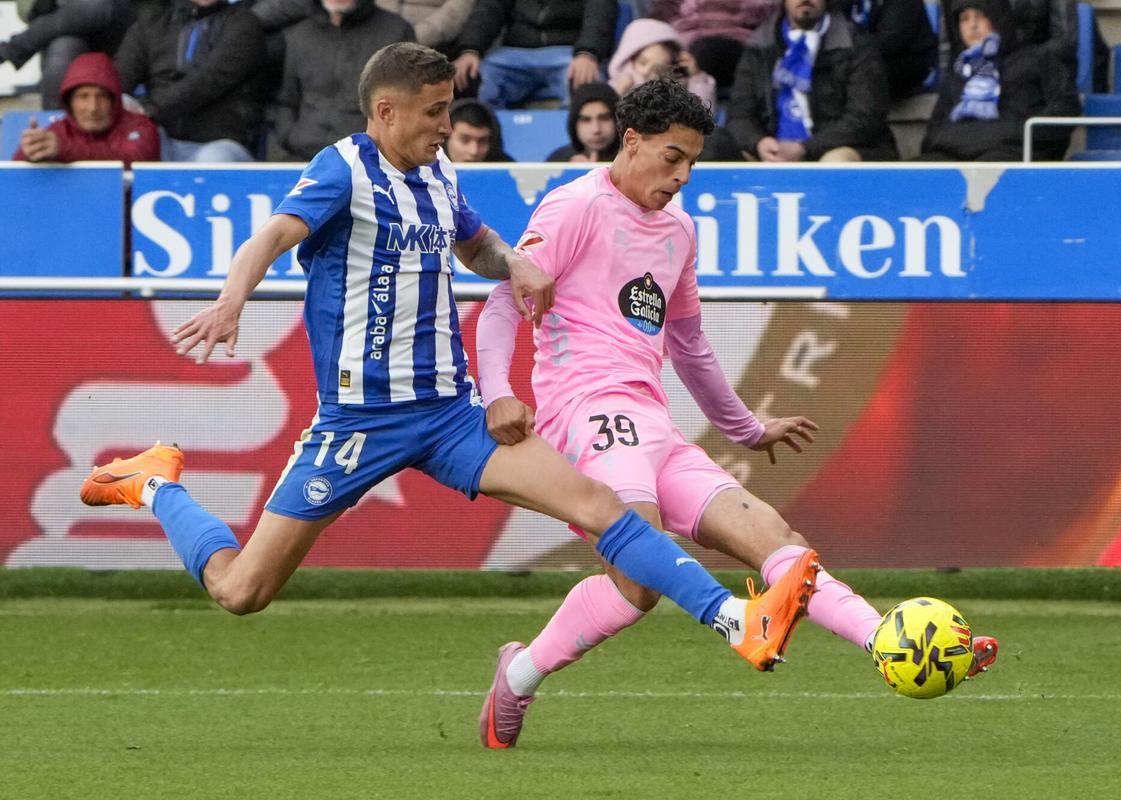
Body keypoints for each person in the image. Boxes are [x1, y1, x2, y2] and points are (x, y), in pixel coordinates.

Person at [80, 45, 817, 687]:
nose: (445, 126)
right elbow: (271, 236)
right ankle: (152, 483)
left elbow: (476, 245)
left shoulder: (437, 176)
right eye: (434, 113)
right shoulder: (341, 172)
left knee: (601, 507)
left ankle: (733, 618)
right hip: (359, 423)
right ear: (387, 110)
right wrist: (231, 299)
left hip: (447, 414)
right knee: (241, 591)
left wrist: (516, 264)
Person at [473, 78, 998, 748]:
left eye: (693, 162)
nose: (683, 176)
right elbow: (501, 301)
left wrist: (746, 428)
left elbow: (688, 342)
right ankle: (550, 669)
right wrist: (496, 394)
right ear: (630, 143)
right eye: (672, 157)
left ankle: (896, 643)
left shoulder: (679, 231)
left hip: (651, 424)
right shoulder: (576, 205)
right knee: (640, 571)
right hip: (586, 414)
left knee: (777, 543)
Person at [726, 0, 897, 163]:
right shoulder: (759, 46)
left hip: (841, 148)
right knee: (713, 150)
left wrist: (805, 148)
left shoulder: (856, 44)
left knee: (835, 163)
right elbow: (739, 115)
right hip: (774, 151)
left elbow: (864, 118)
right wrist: (759, 143)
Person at [916, 0, 1079, 161]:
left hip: (1013, 153)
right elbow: (933, 133)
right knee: (913, 173)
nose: (972, 26)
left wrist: (1019, 133)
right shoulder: (958, 72)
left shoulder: (1038, 59)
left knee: (988, 168)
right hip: (955, 154)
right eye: (964, 19)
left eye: (980, 16)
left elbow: (1066, 108)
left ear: (998, 18)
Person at [114, 0, 267, 163]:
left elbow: (207, 81)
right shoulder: (152, 23)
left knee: (212, 159)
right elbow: (116, 78)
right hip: (161, 134)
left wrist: (148, 108)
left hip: (222, 141)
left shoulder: (244, 23)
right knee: (116, 103)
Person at [272, 0, 415, 161]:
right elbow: (286, 100)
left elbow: (409, 103)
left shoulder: (395, 32)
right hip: (303, 159)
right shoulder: (299, 34)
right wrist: (289, 137)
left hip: (370, 161)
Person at [453, 0, 617, 109]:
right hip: (514, 55)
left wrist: (587, 53)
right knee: (482, 75)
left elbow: (600, 13)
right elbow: (488, 10)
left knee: (584, 80)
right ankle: (485, 143)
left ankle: (569, 148)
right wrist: (470, 50)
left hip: (568, 53)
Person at [13, 51, 159, 166]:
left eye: (102, 96)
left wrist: (67, 150)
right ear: (69, 101)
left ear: (114, 100)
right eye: (83, 97)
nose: (93, 107)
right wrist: (29, 154)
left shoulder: (141, 126)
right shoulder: (58, 131)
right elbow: (11, 184)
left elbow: (135, 159)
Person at [0, 0, 132, 110]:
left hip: (120, 28)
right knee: (63, 47)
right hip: (65, 31)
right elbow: (26, 10)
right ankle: (57, 127)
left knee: (97, 4)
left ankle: (10, 49)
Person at [649, 0, 778, 90]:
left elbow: (771, 11)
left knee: (704, 51)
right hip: (684, 44)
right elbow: (661, 14)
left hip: (737, 42)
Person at [607, 18, 717, 110]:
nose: (647, 71)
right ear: (629, 58)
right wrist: (617, 93)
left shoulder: (680, 89)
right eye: (643, 63)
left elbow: (704, 114)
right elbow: (603, 119)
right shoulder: (618, 85)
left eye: (657, 68)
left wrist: (696, 76)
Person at [840, 0, 938, 100]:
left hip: (906, 59)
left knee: (861, 72)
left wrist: (847, 54)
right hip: (867, 54)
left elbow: (888, 41)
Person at [545, 82, 619, 163]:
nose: (596, 129)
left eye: (604, 118)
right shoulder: (558, 161)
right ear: (574, 125)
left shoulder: (632, 160)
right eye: (586, 120)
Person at [445, 97, 514, 162]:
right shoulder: (434, 167)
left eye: (482, 141)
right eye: (465, 140)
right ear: (445, 139)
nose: (474, 151)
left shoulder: (508, 170)